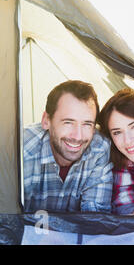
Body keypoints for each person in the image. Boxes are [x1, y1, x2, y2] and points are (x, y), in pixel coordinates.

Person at [23, 80, 113, 213]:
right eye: (68, 122)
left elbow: (95, 218)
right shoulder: (21, 150)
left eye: (87, 124)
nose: (78, 136)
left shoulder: (99, 149)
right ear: (46, 121)